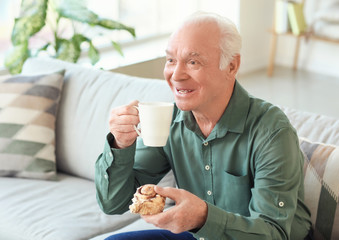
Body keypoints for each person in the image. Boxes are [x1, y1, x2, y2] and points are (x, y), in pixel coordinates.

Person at [95, 11, 313, 240]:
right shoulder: (170, 122)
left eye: (192, 62)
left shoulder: (271, 132)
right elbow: (113, 204)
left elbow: (273, 234)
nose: (176, 75)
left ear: (231, 66)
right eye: (170, 60)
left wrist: (203, 217)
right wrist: (120, 144)